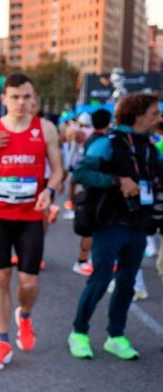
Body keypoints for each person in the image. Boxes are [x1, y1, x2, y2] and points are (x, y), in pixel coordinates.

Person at [0, 72, 63, 370]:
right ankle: (3, 341)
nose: (22, 103)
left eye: (27, 97)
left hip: (31, 216)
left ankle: (24, 315)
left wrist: (49, 190)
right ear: (4, 99)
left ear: (33, 98)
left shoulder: (44, 128)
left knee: (29, 283)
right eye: (15, 97)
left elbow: (59, 171)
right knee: (0, 278)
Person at [68, 94, 163, 361]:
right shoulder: (108, 144)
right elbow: (81, 173)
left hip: (138, 224)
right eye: (154, 113)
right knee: (100, 280)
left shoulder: (149, 147)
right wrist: (117, 180)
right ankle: (79, 332)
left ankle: (116, 336)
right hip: (111, 224)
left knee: (127, 282)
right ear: (138, 115)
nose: (159, 118)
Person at [71, 109, 113, 277]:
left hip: (92, 191)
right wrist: (110, 181)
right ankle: (82, 261)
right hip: (95, 193)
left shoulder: (93, 138)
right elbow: (80, 171)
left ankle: (87, 261)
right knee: (91, 229)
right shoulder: (101, 142)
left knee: (94, 229)